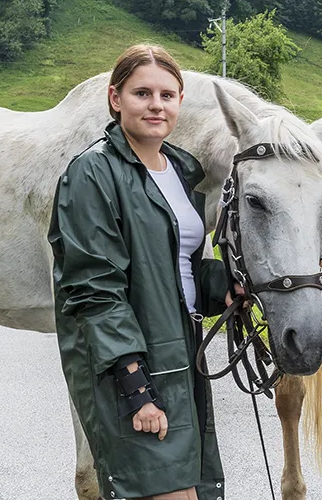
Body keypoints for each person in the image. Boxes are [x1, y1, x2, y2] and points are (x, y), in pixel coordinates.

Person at [48, 44, 236, 500]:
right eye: (142, 93)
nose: (156, 105)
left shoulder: (181, 173)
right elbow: (94, 290)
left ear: (180, 102)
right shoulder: (91, 175)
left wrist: (225, 285)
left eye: (167, 95)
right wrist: (136, 387)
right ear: (116, 99)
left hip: (182, 360)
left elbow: (174, 271)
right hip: (131, 369)